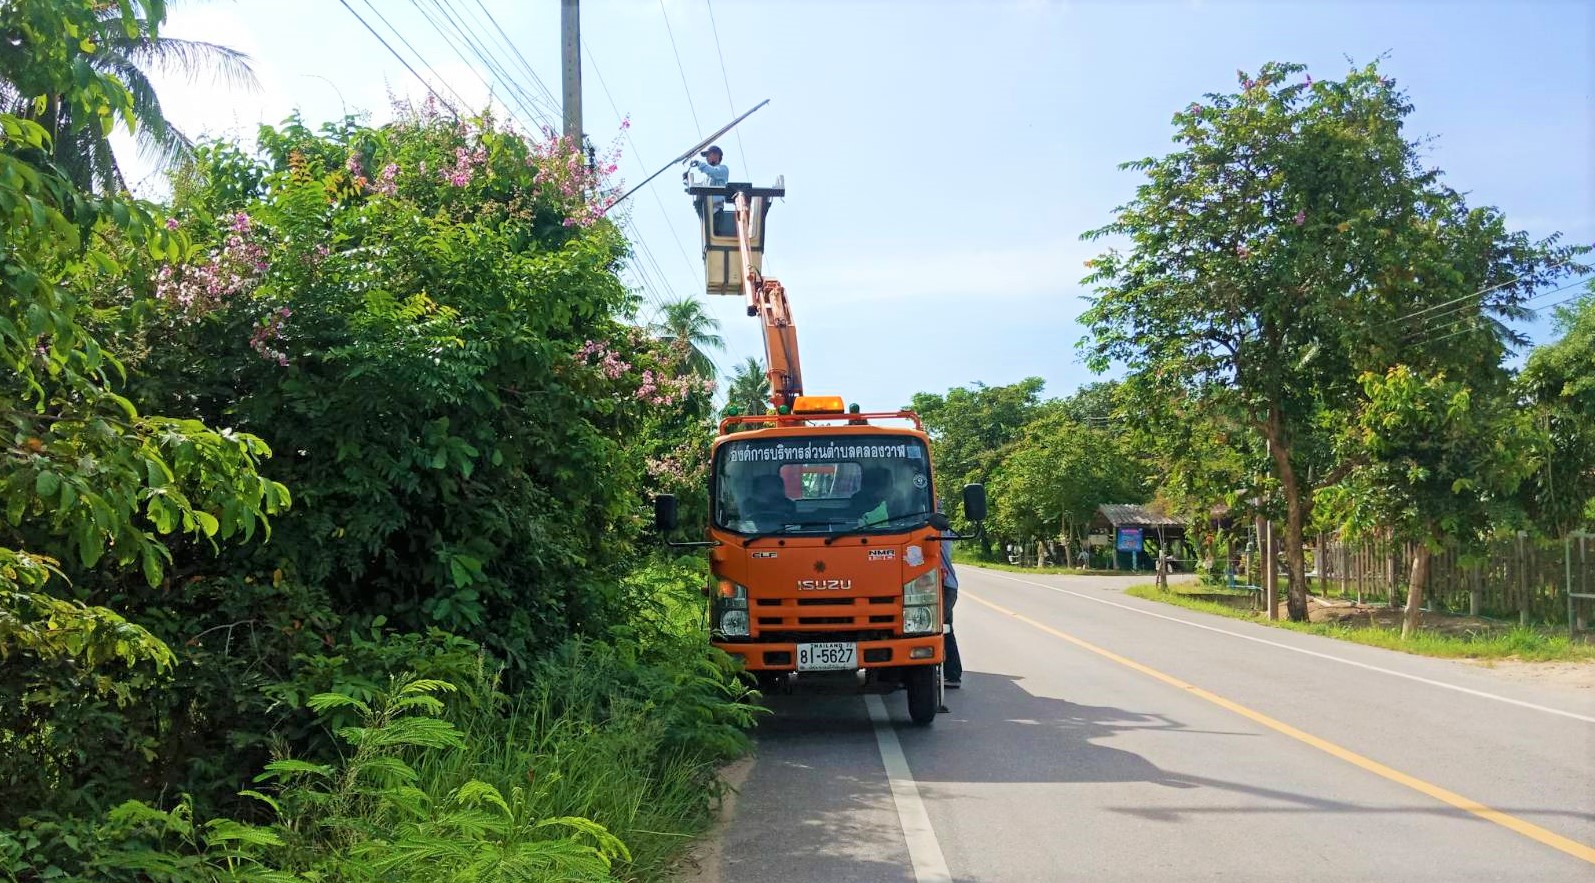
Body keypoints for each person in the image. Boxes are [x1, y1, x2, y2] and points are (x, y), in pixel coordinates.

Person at [688, 145, 734, 236]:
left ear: (716, 155)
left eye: (709, 155)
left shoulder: (723, 169)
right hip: (706, 212)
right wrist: (687, 181)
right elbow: (698, 187)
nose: (707, 158)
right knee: (708, 234)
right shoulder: (707, 179)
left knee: (715, 234)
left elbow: (714, 172)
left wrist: (699, 164)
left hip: (716, 211)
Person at [939, 519, 962, 689]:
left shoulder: (936, 530)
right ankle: (952, 674)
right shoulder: (942, 529)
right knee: (946, 629)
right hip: (947, 586)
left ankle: (951, 674)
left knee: (938, 629)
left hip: (944, 586)